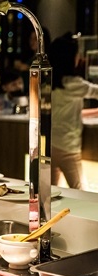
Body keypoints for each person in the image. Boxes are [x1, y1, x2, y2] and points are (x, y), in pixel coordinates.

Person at [49, 32, 98, 190]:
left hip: (50, 145)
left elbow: (65, 112)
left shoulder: (50, 83)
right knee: (80, 193)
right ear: (72, 58)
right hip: (68, 147)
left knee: (50, 193)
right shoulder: (75, 84)